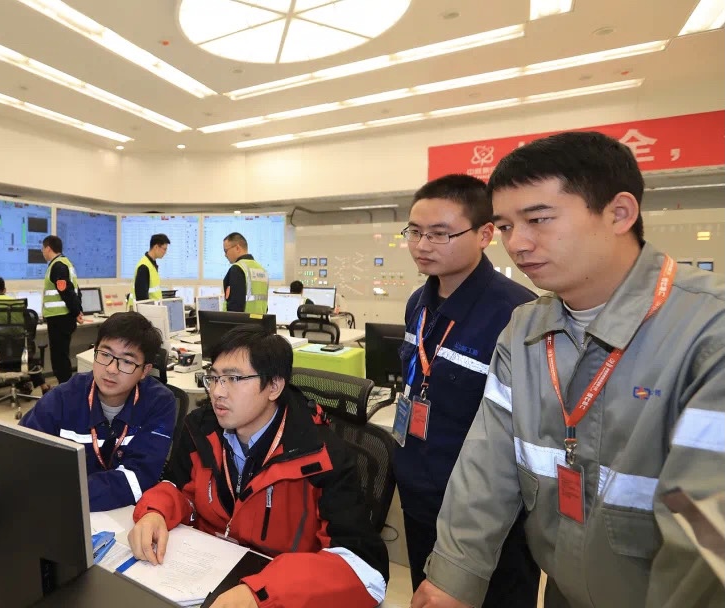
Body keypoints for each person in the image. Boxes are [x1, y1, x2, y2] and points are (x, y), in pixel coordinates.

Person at [411, 132, 725, 608]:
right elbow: (488, 464)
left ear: (619, 213)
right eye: (507, 226)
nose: (518, 243)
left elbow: (707, 537)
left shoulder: (707, 330)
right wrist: (454, 577)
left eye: (538, 220)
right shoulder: (526, 328)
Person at [127, 325, 389, 607]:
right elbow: (179, 488)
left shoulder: (321, 456)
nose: (217, 392)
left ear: (274, 386)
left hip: (282, 593)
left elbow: (365, 572)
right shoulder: (201, 429)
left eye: (233, 378)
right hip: (204, 578)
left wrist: (263, 593)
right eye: (213, 378)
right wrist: (155, 511)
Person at [396, 174, 539, 606]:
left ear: (485, 234)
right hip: (420, 490)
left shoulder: (516, 312)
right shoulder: (418, 302)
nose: (423, 244)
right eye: (415, 232)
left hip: (486, 511)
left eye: (440, 234)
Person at [20, 312, 176, 512]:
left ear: (145, 371)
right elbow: (23, 455)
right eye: (105, 354)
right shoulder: (63, 398)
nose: (111, 369)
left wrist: (67, 492)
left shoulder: (159, 403)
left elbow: (141, 476)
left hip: (126, 515)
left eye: (127, 362)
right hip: (64, 511)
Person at [0, 275, 46, 392]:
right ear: (5, 290)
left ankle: (22, 386)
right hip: (21, 356)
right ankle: (40, 386)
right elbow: (29, 327)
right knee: (22, 350)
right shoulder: (18, 303)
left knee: (7, 348)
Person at [41, 235, 83, 385]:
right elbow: (76, 289)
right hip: (63, 317)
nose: (42, 252)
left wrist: (76, 311)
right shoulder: (66, 263)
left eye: (43, 249)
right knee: (61, 356)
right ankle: (65, 388)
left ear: (48, 248)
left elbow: (66, 291)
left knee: (59, 358)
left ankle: (65, 389)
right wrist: (78, 310)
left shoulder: (57, 266)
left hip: (60, 318)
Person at [222, 232, 268, 314]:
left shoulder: (237, 269)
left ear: (237, 248)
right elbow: (264, 306)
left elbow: (235, 307)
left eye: (226, 251)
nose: (225, 255)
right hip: (260, 324)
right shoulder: (262, 270)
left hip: (242, 324)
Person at [131, 233, 170, 306]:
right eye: (164, 249)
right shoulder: (144, 266)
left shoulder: (151, 264)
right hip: (144, 313)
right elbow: (142, 299)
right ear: (156, 247)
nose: (165, 252)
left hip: (153, 311)